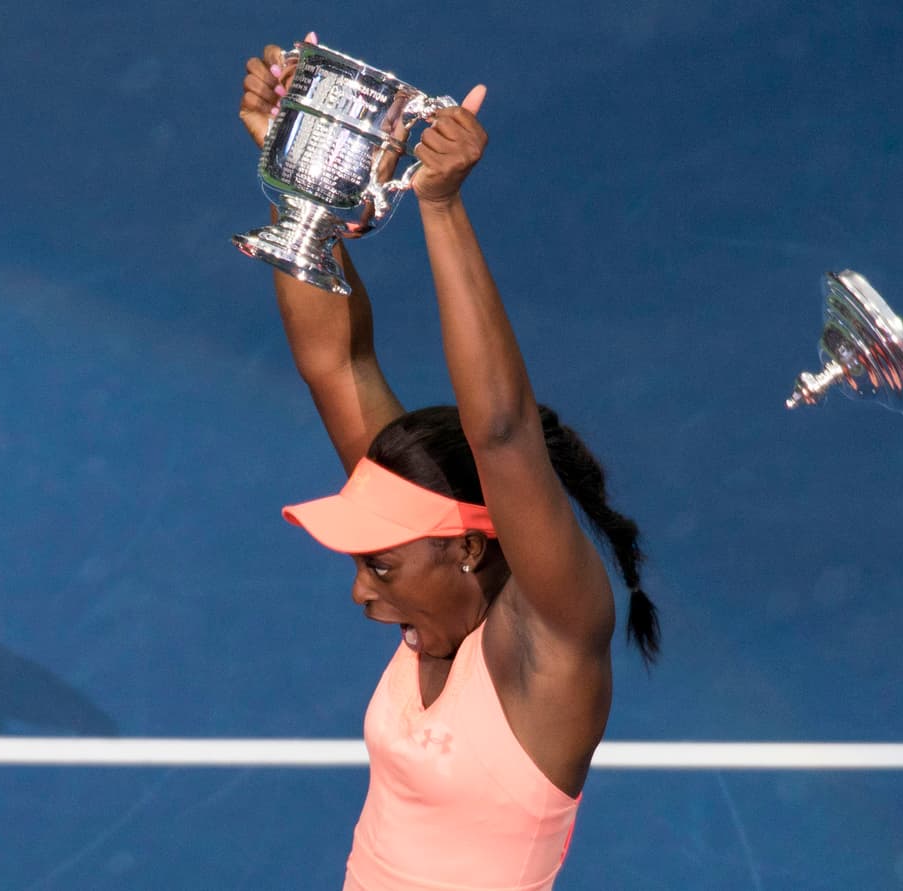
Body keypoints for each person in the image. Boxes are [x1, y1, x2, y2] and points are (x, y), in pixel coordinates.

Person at [240, 33, 660, 891]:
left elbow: (501, 433)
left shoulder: (549, 644)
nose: (361, 592)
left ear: (467, 544)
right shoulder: (436, 561)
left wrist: (440, 208)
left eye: (381, 565)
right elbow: (336, 364)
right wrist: (306, 181)